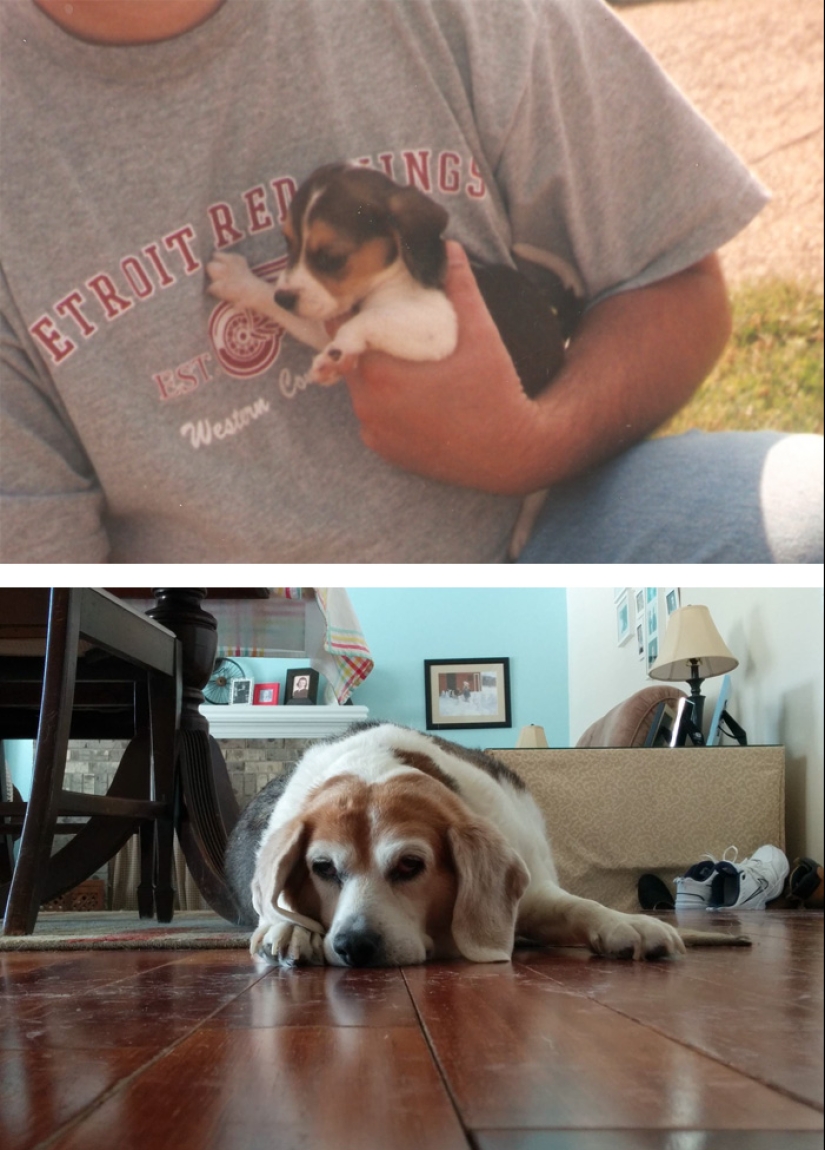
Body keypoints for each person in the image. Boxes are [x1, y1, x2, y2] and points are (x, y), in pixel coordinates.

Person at [1, 0, 821, 563]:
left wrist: (528, 444)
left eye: (323, 258)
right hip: (268, 627)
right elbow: (50, 602)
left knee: (807, 516)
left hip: (559, 526)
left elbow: (674, 279)